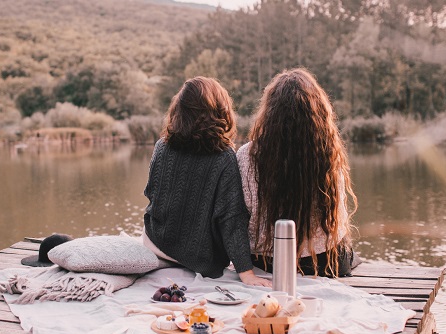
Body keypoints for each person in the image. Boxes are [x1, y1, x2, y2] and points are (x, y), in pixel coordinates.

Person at [142, 76, 272, 287]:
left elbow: (150, 193)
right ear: (220, 111)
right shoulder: (224, 157)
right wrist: (246, 273)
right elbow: (231, 219)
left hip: (157, 244)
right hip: (201, 259)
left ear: (179, 110)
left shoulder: (161, 147)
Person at [237, 68, 360, 277]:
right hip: (324, 262)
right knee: (351, 254)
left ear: (268, 113)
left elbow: (241, 215)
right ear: (318, 113)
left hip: (265, 262)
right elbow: (338, 217)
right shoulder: (328, 154)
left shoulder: (246, 154)